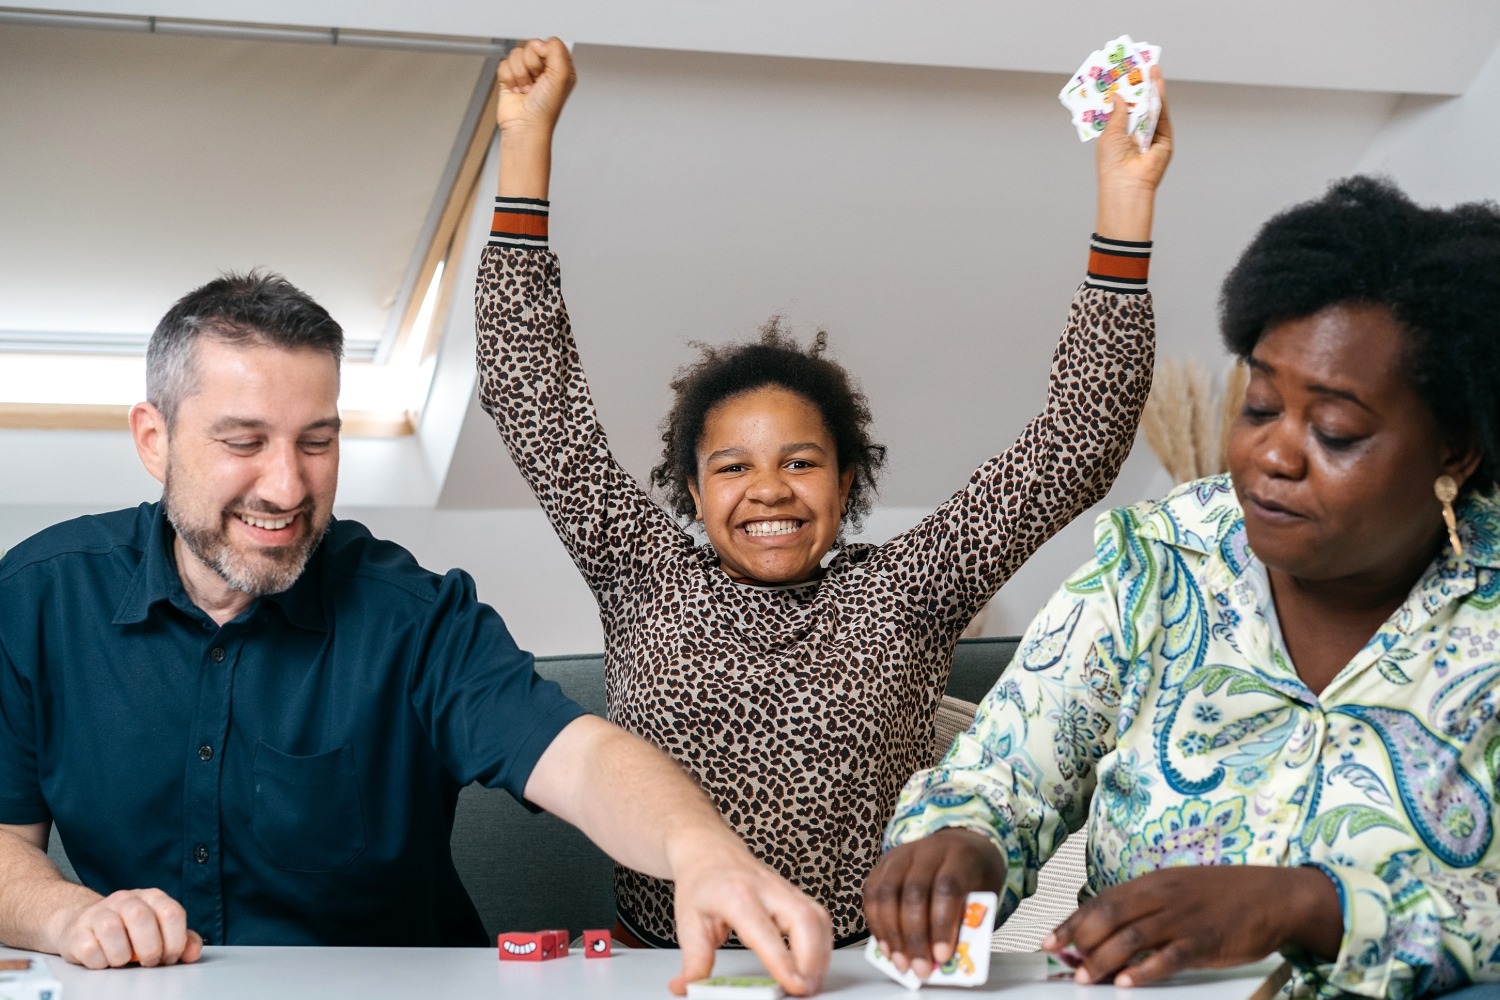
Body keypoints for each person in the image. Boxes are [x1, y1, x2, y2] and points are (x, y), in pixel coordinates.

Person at [477, 38, 1172, 948]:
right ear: (690, 489)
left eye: (801, 463)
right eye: (732, 467)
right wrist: (526, 144)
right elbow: (531, 394)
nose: (769, 490)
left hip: (861, 973)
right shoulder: (641, 573)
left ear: (848, 483)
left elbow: (1076, 445)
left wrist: (1126, 198)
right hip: (668, 971)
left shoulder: (910, 589)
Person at [0, 271, 831, 997]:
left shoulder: (415, 615)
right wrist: (70, 915)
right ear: (155, 439)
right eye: (244, 442)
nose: (287, 485)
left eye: (317, 443)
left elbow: (578, 756)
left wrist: (700, 849)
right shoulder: (39, 598)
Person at [864, 176, 1500, 999]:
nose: (1274, 454)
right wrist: (959, 844)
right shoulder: (1159, 562)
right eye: (1261, 405)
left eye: (1336, 431)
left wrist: (1309, 908)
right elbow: (999, 778)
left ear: (1456, 451)